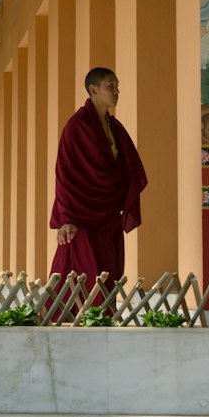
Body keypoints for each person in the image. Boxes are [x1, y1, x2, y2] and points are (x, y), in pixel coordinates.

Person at [49, 67, 148, 285]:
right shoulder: (77, 126)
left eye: (117, 86)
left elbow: (128, 168)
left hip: (107, 214)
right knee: (79, 275)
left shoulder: (114, 127)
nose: (116, 91)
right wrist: (66, 217)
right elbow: (64, 175)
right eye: (110, 86)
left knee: (107, 272)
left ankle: (102, 318)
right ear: (93, 89)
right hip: (80, 217)